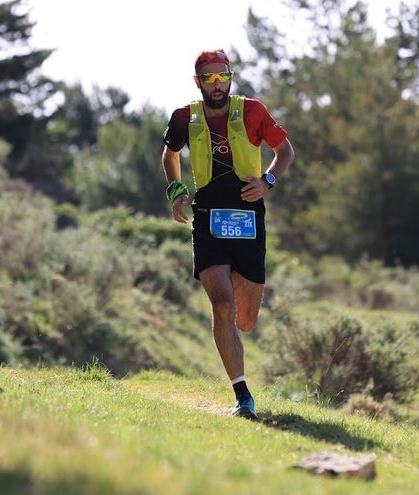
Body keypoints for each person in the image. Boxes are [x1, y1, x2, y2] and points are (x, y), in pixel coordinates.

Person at [160, 49, 295, 420]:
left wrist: (267, 180)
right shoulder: (184, 117)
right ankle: (243, 395)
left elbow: (285, 152)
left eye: (223, 76)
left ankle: (234, 325)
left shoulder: (253, 111)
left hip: (249, 217)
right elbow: (169, 156)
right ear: (197, 82)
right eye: (209, 78)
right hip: (207, 216)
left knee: (245, 319)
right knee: (222, 304)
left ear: (231, 76)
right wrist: (176, 190)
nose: (217, 84)